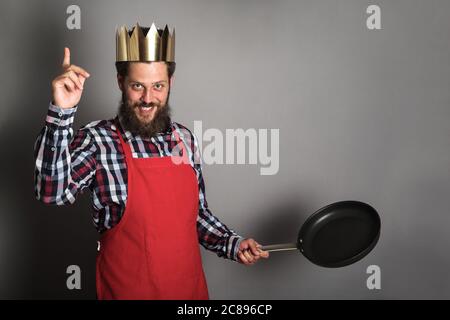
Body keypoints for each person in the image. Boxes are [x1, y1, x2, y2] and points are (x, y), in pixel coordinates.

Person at [33, 23, 269, 300]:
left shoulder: (184, 139)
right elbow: (52, 193)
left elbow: (197, 215)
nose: (148, 98)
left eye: (158, 86)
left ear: (171, 83)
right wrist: (62, 111)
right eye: (137, 86)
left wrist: (233, 244)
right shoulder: (97, 140)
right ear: (120, 82)